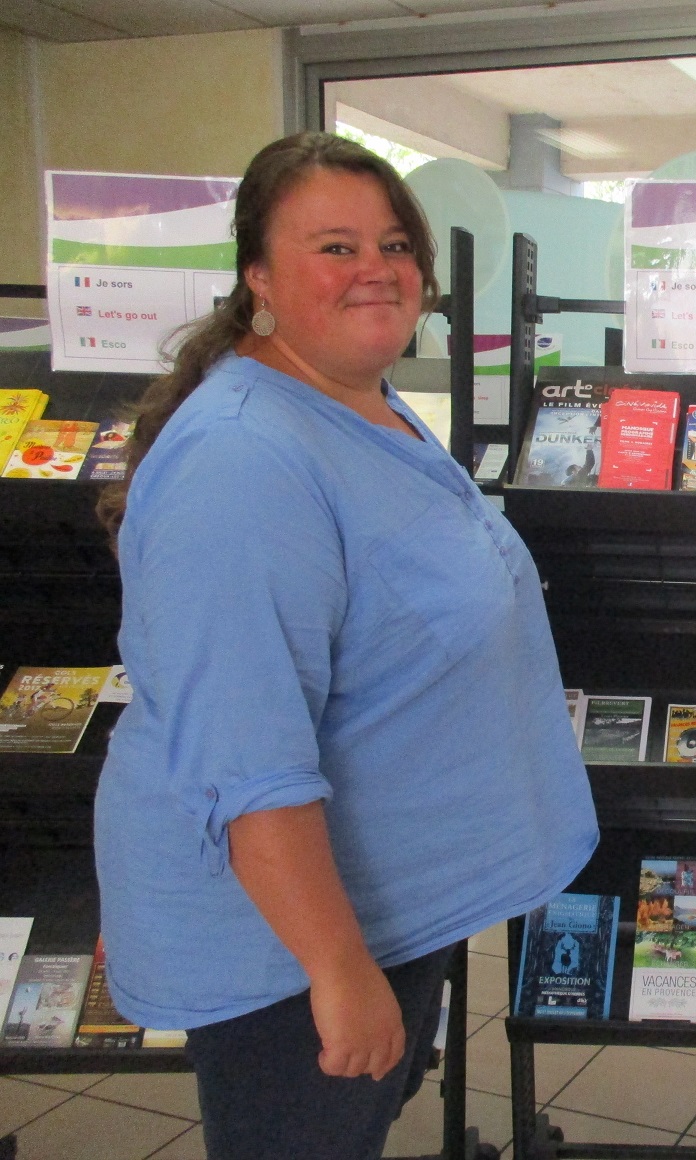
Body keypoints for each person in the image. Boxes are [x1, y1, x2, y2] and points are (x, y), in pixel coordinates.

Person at [94, 132, 598, 1160]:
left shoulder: (358, 397)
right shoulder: (241, 459)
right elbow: (247, 757)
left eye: (394, 244)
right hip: (289, 943)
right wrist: (335, 967)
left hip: (390, 902)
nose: (376, 267)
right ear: (259, 277)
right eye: (335, 246)